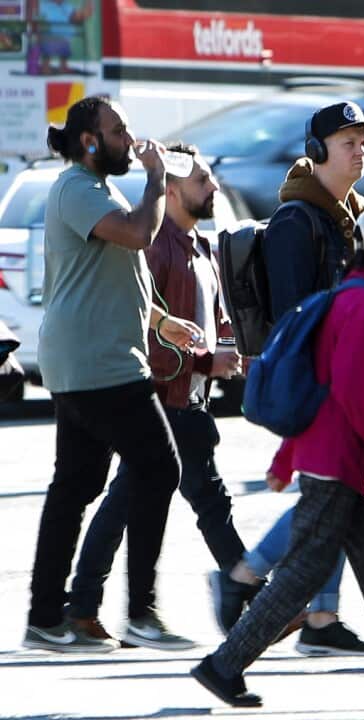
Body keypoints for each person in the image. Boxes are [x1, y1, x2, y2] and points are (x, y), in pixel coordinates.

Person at [190, 204, 364, 710]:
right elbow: (354, 392)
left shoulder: (362, 298)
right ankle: (225, 665)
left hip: (345, 462)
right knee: (303, 575)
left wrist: (292, 456)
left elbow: (323, 386)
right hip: (341, 464)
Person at [209, 100, 364, 657]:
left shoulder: (351, 215)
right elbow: (295, 317)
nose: (360, 151)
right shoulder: (297, 221)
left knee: (338, 495)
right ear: (317, 151)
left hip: (344, 377)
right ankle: (245, 577)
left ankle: (321, 617)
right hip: (316, 382)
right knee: (331, 495)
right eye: (347, 143)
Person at [23, 95, 200, 653]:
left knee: (77, 484)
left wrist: (163, 322)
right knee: (160, 466)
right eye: (119, 131)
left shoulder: (100, 191)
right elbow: (139, 236)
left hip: (93, 358)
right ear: (89, 141)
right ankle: (141, 613)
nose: (131, 139)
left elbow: (111, 273)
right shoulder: (76, 188)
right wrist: (156, 180)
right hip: (98, 361)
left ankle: (49, 617)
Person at [64, 144, 242, 651]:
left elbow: (217, 321)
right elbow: (147, 336)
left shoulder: (199, 247)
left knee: (148, 502)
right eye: (202, 180)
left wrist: (228, 354)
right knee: (197, 501)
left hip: (192, 402)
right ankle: (250, 593)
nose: (212, 189)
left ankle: (86, 607)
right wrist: (205, 362)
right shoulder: (156, 249)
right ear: (171, 189)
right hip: (165, 402)